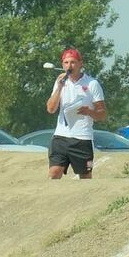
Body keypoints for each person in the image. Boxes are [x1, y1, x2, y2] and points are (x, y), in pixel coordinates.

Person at [45, 47, 106, 180]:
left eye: (73, 62)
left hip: (82, 139)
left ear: (80, 63)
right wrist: (59, 87)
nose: (69, 66)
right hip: (61, 137)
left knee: (85, 175)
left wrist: (89, 112)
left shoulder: (92, 84)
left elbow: (102, 114)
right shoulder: (60, 82)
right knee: (54, 172)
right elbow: (50, 109)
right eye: (66, 63)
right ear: (62, 65)